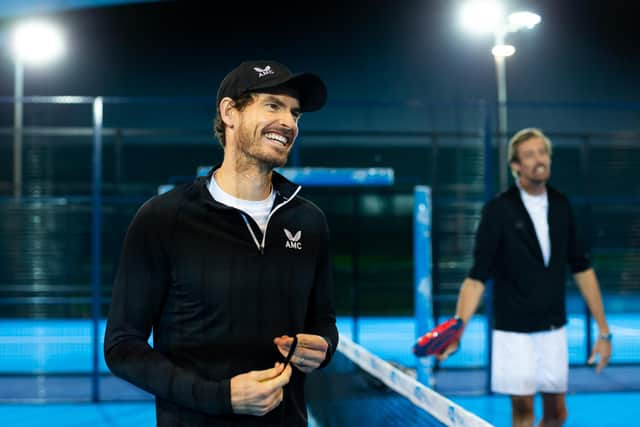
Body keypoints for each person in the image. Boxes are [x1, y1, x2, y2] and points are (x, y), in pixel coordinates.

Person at [104, 60, 338, 427]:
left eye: (295, 113)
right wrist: (220, 397)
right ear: (230, 112)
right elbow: (122, 346)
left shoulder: (309, 221)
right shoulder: (163, 218)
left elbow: (322, 321)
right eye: (273, 105)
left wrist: (323, 347)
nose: (289, 123)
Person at [437, 128, 612, 427]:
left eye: (543, 153)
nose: (539, 159)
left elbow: (582, 269)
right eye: (529, 155)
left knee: (558, 414)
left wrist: (604, 332)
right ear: (515, 165)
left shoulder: (561, 205)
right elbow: (477, 276)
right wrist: (459, 326)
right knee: (524, 414)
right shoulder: (498, 210)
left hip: (553, 327)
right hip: (513, 332)